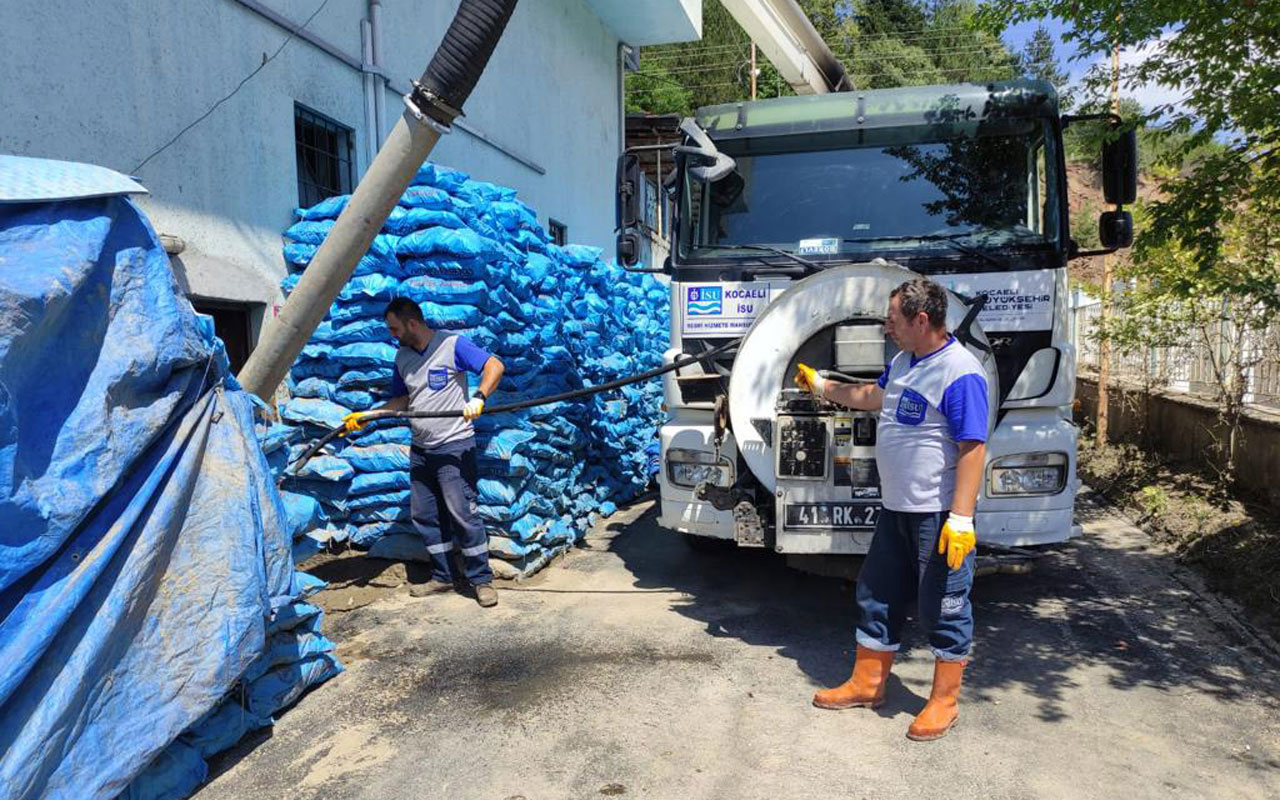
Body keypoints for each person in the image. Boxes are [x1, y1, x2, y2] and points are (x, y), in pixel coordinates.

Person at [796, 276, 988, 741]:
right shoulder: (905, 362)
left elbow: (973, 447)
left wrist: (960, 520)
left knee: (943, 604)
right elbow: (871, 398)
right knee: (876, 593)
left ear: (922, 320)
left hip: (938, 516)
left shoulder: (960, 372)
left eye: (893, 318)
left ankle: (943, 701)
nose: (887, 327)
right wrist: (822, 384)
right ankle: (868, 683)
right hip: (897, 509)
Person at [343, 297, 506, 608]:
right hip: (421, 450)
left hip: (454, 445)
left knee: (463, 514)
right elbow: (401, 400)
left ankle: (481, 580)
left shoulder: (452, 344)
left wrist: (480, 396)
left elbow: (494, 365)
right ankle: (443, 576)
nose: (391, 334)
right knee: (425, 516)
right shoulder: (402, 357)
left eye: (394, 328)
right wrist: (369, 417)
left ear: (412, 323)